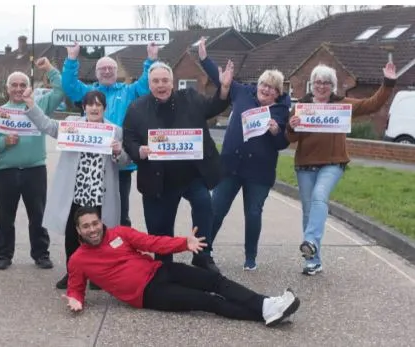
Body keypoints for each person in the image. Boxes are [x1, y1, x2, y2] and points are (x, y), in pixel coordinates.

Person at [62, 206, 301, 328]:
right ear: (78, 230)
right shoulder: (78, 260)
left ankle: (267, 305)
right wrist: (76, 299)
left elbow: (152, 242)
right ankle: (266, 315)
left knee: (214, 281)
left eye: (95, 223)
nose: (92, 229)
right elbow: (75, 287)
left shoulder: (120, 233)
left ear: (101, 222)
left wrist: (183, 244)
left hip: (159, 271)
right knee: (208, 301)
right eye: (86, 226)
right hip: (148, 295)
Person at [286, 62, 397, 275]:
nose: (321, 86)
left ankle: (310, 240)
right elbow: (290, 137)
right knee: (309, 211)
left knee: (320, 196)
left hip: (332, 164)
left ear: (333, 85)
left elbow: (371, 105)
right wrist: (291, 125)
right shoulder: (301, 106)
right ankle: (313, 261)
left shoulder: (342, 105)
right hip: (305, 166)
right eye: (317, 82)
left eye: (326, 82)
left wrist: (388, 82)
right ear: (312, 84)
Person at [122, 61, 232, 273]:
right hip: (158, 178)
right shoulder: (137, 108)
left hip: (191, 174)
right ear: (149, 83)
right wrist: (139, 151)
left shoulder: (189, 98)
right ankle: (164, 262)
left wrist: (224, 88)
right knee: (159, 225)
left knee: (204, 205)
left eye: (165, 80)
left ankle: (203, 255)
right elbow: (129, 137)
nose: (161, 85)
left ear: (172, 82)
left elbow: (213, 107)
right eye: (156, 81)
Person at [22, 88, 131, 289]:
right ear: (84, 107)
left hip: (100, 194)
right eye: (90, 104)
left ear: (104, 109)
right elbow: (48, 125)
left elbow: (124, 161)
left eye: (98, 104)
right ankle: (73, 273)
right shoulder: (73, 127)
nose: (94, 108)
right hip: (76, 192)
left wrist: (118, 151)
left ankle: (98, 276)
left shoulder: (115, 131)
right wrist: (30, 104)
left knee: (99, 236)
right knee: (73, 236)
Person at [198, 38, 291, 271]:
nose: (266, 89)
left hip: (259, 172)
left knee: (253, 214)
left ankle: (250, 257)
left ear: (278, 93)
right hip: (230, 166)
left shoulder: (281, 110)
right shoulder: (241, 93)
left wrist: (276, 130)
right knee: (216, 209)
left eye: (271, 87)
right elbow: (221, 79)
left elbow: (282, 144)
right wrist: (203, 58)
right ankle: (205, 251)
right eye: (263, 84)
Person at [62, 43, 159, 228]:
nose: (107, 71)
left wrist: (151, 60)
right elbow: (69, 86)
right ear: (96, 73)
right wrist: (72, 59)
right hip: (90, 163)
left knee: (120, 213)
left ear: (116, 71)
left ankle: (121, 250)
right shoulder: (88, 93)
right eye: (102, 68)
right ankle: (93, 250)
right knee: (90, 212)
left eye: (110, 68)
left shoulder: (129, 91)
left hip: (119, 164)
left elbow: (146, 85)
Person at [0, 58, 64, 270]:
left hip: (34, 169)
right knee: (5, 216)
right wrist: (3, 142)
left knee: (38, 215)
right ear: (7, 88)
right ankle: (3, 255)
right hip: (6, 171)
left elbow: (61, 89)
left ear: (29, 88)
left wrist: (49, 69)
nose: (18, 89)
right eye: (14, 85)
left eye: (23, 85)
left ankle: (41, 254)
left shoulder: (40, 105)